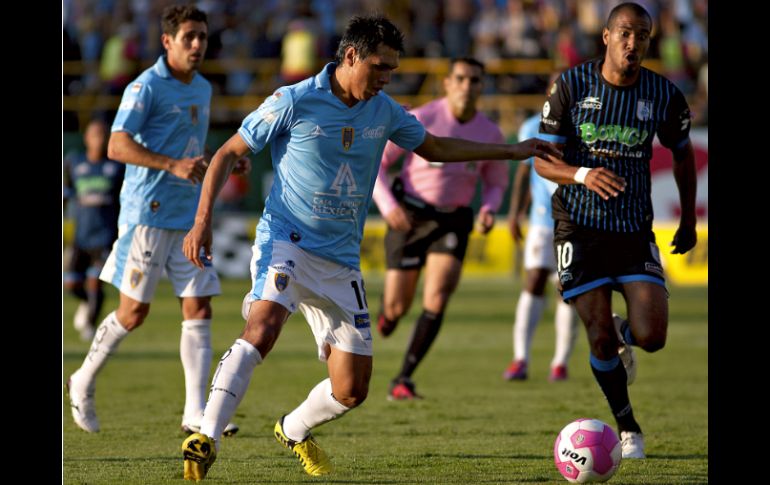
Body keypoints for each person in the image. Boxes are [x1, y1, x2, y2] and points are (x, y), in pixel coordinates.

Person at [179, 14, 561, 481]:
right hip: (287, 240)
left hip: (340, 260)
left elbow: (435, 147)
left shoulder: (384, 111)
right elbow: (227, 153)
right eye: (380, 67)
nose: (385, 78)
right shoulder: (293, 100)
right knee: (263, 325)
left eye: (392, 70)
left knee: (352, 390)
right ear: (351, 55)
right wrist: (202, 223)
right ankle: (206, 437)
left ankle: (293, 428)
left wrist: (511, 151)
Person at [65, 5, 248, 437]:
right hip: (147, 215)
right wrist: (171, 165)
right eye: (189, 37)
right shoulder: (145, 87)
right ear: (168, 42)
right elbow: (115, 145)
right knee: (133, 313)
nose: (198, 45)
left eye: (202, 36)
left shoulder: (202, 88)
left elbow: (188, 153)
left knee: (199, 307)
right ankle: (81, 381)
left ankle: (194, 412)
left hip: (188, 217)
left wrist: (214, 166)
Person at [534, 2, 697, 459]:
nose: (633, 42)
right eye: (625, 33)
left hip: (631, 229)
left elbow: (682, 154)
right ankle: (628, 428)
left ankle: (621, 328)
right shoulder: (570, 85)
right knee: (599, 337)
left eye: (642, 35)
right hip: (578, 227)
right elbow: (543, 160)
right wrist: (584, 175)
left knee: (653, 338)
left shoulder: (664, 94)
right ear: (606, 36)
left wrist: (687, 217)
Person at [372, 57, 510, 400]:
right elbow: (378, 164)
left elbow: (495, 181)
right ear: (447, 83)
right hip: (410, 217)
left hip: (453, 219)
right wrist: (389, 207)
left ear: (482, 86)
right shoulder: (420, 118)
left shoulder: (490, 133)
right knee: (396, 307)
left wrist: (490, 209)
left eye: (475, 80)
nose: (467, 86)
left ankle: (403, 378)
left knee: (438, 296)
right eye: (461, 78)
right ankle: (388, 316)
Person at [502, 77, 578, 382]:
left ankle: (560, 363)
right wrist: (515, 212)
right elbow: (523, 174)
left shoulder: (583, 127)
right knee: (533, 281)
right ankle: (520, 358)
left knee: (566, 289)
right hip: (541, 221)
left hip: (575, 222)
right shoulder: (532, 125)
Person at [64, 119, 125, 342]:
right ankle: (85, 302)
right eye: (95, 134)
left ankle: (90, 325)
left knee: (94, 280)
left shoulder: (116, 166)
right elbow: (66, 193)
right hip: (81, 236)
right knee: (71, 283)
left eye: (103, 134)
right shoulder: (74, 162)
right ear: (86, 138)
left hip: (106, 235)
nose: (99, 139)